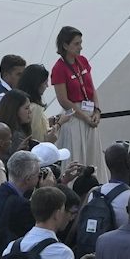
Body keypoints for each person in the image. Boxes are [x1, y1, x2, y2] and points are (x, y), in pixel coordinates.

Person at [53, 26, 104, 175]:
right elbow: (63, 100)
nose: (80, 47)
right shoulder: (59, 68)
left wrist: (97, 110)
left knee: (92, 157)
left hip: (89, 115)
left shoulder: (82, 61)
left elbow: (91, 87)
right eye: (76, 44)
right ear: (65, 45)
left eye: (80, 43)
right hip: (75, 117)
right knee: (76, 157)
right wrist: (84, 116)